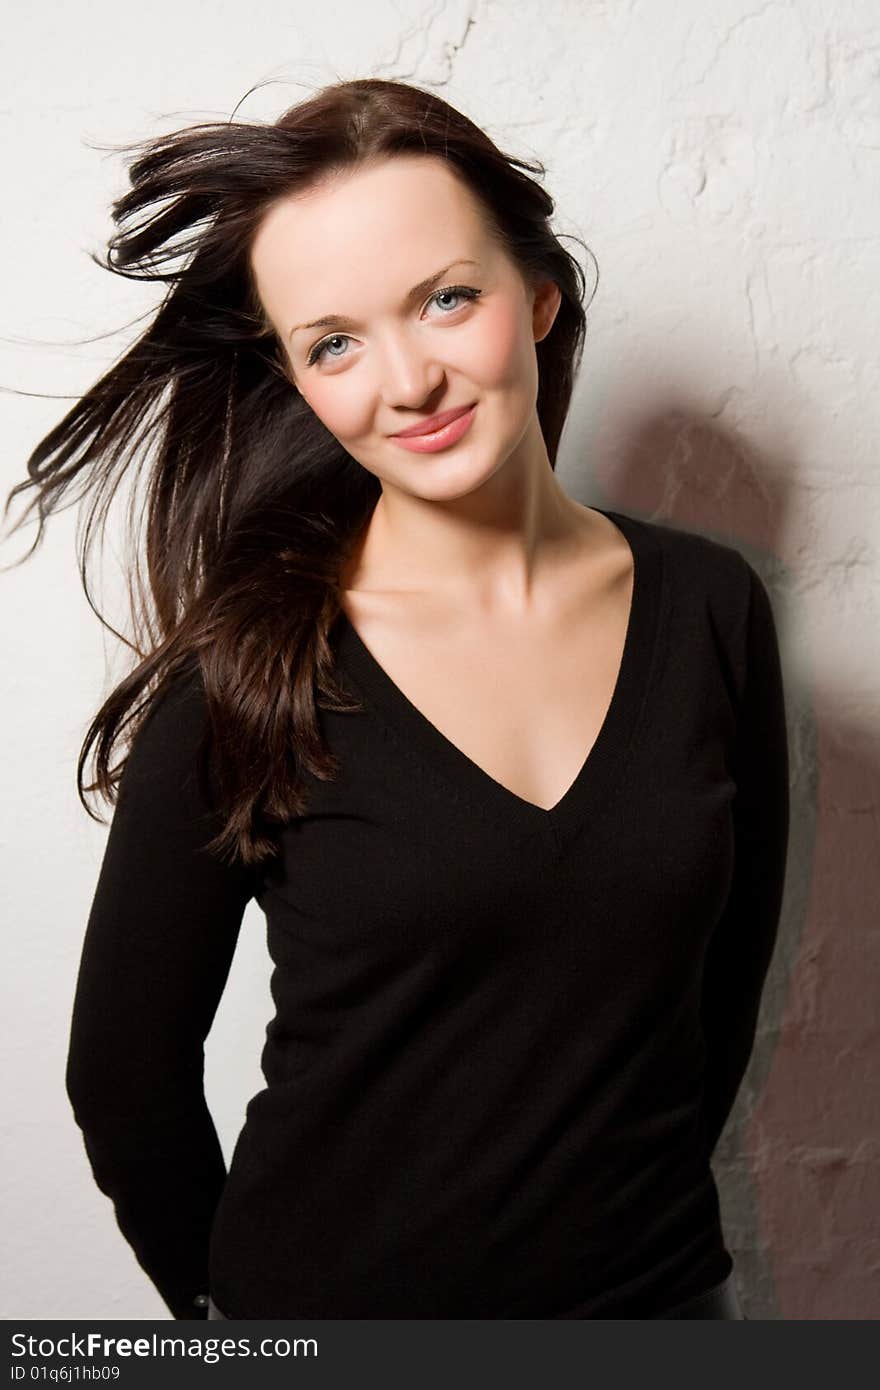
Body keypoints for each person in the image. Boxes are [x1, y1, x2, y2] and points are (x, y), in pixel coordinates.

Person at [6, 78, 788, 1320]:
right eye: (334, 342)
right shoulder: (249, 672)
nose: (408, 380)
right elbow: (123, 1078)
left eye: (445, 298)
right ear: (301, 382)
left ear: (538, 294)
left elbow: (720, 1000)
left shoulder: (708, 608)